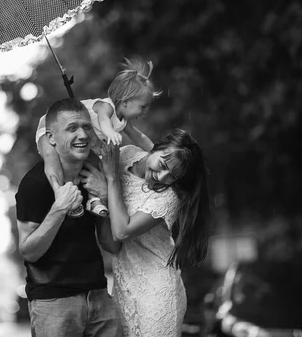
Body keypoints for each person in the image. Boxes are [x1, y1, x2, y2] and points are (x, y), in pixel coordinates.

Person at [80, 128, 211, 337]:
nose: (163, 177)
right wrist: (102, 198)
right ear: (157, 148)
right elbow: (113, 244)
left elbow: (122, 232)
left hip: (157, 292)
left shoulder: (169, 196)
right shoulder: (126, 155)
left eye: (173, 176)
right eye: (163, 165)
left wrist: (110, 183)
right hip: (124, 287)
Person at [15, 98, 122, 337]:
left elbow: (112, 245)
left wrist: (104, 196)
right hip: (53, 303)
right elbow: (28, 250)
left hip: (98, 296)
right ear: (51, 138)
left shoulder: (92, 176)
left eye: (86, 127)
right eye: (72, 128)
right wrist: (59, 209)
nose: (82, 134)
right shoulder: (34, 184)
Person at [36, 58, 161, 216]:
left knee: (100, 168)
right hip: (49, 126)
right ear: (126, 101)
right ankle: (59, 193)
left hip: (81, 142)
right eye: (142, 106)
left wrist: (157, 151)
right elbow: (103, 121)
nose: (144, 111)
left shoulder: (123, 120)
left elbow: (139, 136)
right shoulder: (106, 107)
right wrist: (110, 133)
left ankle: (93, 201)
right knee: (50, 157)